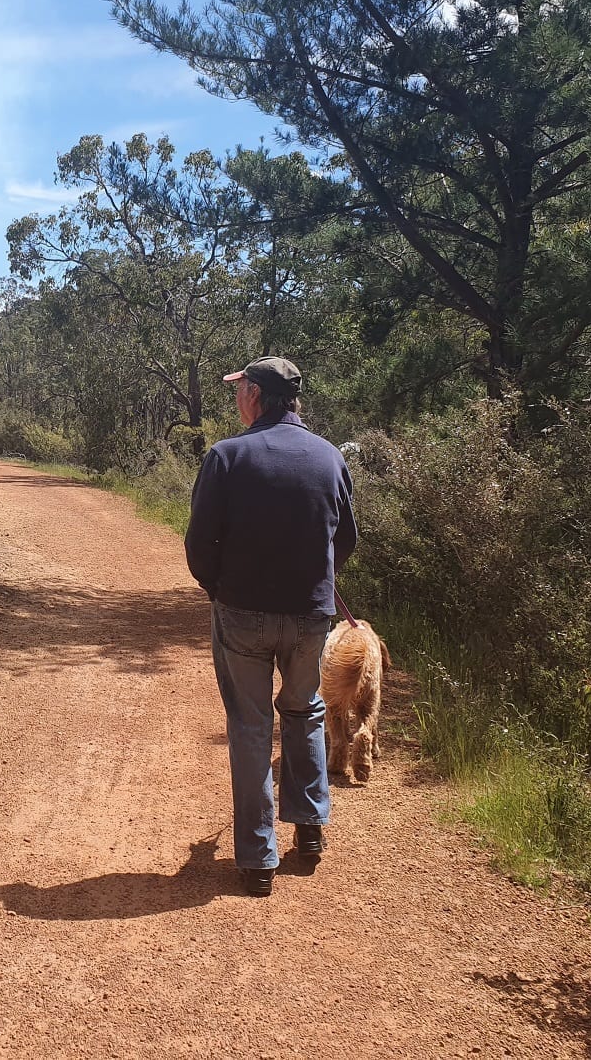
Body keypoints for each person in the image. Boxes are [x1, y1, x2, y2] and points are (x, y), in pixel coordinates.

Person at [184, 356, 358, 898]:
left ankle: (258, 858)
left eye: (240, 391)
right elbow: (345, 539)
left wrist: (222, 591)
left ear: (256, 396)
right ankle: (310, 833)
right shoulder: (330, 458)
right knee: (305, 712)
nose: (236, 399)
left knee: (251, 725)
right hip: (311, 617)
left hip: (242, 616)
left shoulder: (227, 457)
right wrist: (313, 585)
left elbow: (198, 545)